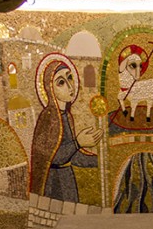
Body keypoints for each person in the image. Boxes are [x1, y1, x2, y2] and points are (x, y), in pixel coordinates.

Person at [30, 54, 102, 202]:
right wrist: (78, 143)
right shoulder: (48, 118)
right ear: (50, 89)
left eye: (70, 78)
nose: (69, 86)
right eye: (61, 82)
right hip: (53, 183)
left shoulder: (67, 116)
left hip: (67, 178)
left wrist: (102, 161)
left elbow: (74, 157)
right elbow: (53, 156)